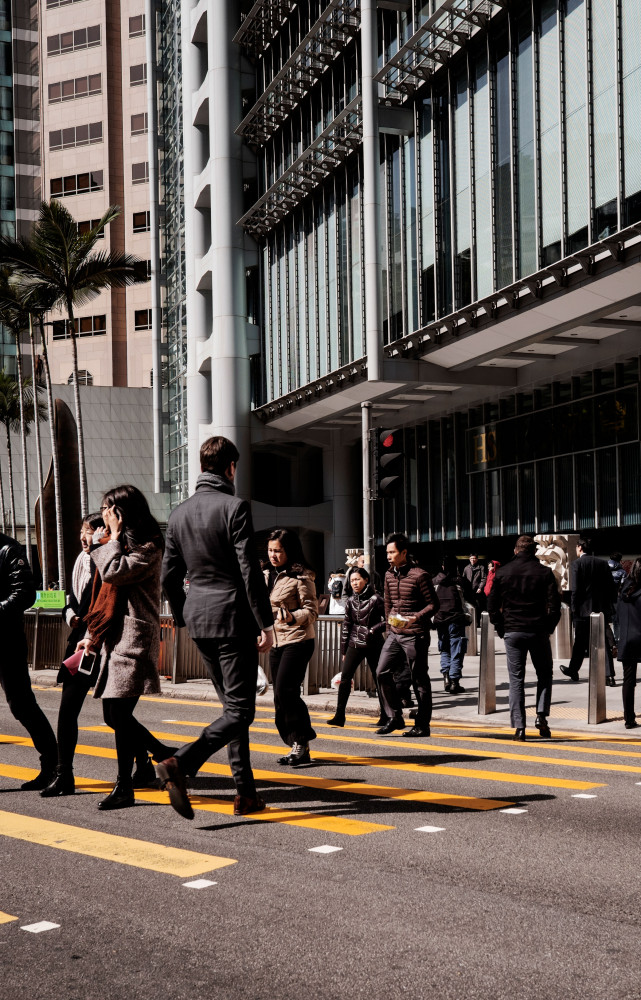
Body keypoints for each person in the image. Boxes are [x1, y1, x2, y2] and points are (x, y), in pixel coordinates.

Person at [160, 436, 274, 819]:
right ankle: (181, 762)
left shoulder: (178, 514)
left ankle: (245, 793)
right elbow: (249, 571)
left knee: (231, 710)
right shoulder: (234, 507)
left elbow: (168, 579)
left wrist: (182, 615)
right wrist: (266, 623)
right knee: (241, 712)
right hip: (232, 619)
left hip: (199, 621)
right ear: (230, 468)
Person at [42, 514, 158, 797]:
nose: (86, 537)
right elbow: (73, 597)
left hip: (102, 640)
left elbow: (108, 603)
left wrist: (91, 634)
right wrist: (70, 615)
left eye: (92, 531)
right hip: (82, 640)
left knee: (114, 715)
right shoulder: (82, 560)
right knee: (69, 708)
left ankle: (150, 760)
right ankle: (64, 774)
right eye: (83, 531)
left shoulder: (108, 558)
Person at [77, 485, 174, 811]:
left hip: (134, 640)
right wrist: (92, 634)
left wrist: (112, 538)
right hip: (115, 641)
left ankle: (128, 783)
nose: (104, 522)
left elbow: (114, 572)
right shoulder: (118, 545)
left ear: (124, 514)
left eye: (109, 513)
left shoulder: (148, 548)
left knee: (117, 713)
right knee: (113, 714)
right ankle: (154, 760)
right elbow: (103, 595)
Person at [488, 534, 561, 741]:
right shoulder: (544, 572)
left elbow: (492, 605)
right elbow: (555, 607)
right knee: (545, 674)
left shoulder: (503, 573)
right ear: (534, 551)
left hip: (513, 630)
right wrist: (549, 628)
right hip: (538, 630)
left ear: (515, 550)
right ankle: (541, 716)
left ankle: (520, 727)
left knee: (516, 679)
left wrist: (501, 627)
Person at [0, 532, 57, 789]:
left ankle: (53, 765)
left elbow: (25, 593)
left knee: (22, 705)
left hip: (6, 640)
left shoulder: (8, 549)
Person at [375, 532, 439, 737]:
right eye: (387, 552)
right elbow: (387, 603)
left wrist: (416, 617)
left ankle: (422, 725)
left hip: (415, 634)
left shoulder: (420, 575)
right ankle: (395, 717)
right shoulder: (388, 574)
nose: (388, 556)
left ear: (404, 553)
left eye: (392, 552)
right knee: (381, 672)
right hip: (394, 632)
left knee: (419, 679)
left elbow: (434, 605)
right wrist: (387, 629)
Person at [265, 528, 318, 765]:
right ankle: (296, 742)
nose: (273, 555)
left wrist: (292, 617)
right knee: (279, 696)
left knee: (287, 691)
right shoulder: (268, 575)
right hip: (276, 641)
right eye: (270, 550)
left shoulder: (301, 577)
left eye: (278, 551)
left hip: (298, 639)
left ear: (290, 551)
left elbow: (312, 611)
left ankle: (301, 740)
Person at [327, 567, 386, 727]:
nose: (355, 583)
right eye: (352, 580)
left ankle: (386, 715)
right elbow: (346, 625)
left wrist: (373, 630)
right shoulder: (351, 601)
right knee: (345, 678)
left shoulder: (376, 599)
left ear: (366, 579)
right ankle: (339, 716)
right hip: (354, 642)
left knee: (379, 678)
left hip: (373, 643)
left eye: (357, 579)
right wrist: (343, 650)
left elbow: (388, 619)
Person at [560, 537, 617, 685]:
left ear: (579, 547)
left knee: (580, 641)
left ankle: (573, 670)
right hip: (600, 609)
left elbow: (576, 590)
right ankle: (608, 675)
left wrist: (573, 608)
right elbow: (611, 587)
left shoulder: (576, 564)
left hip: (582, 610)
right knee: (602, 641)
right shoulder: (603, 564)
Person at [432, 556, 469, 695]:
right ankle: (454, 681)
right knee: (457, 649)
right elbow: (469, 598)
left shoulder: (434, 581)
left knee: (444, 649)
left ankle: (446, 677)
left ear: (442, 566)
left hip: (440, 619)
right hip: (456, 619)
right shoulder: (459, 581)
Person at [616, 558, 641, 729]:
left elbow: (617, 617)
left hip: (626, 639)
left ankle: (629, 719)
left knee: (628, 680)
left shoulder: (623, 590)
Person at [608, 552, 627, 645]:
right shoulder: (622, 572)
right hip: (616, 598)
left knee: (604, 620)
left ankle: (609, 641)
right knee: (617, 621)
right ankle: (617, 640)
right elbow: (623, 586)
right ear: (620, 560)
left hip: (605, 598)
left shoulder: (604, 569)